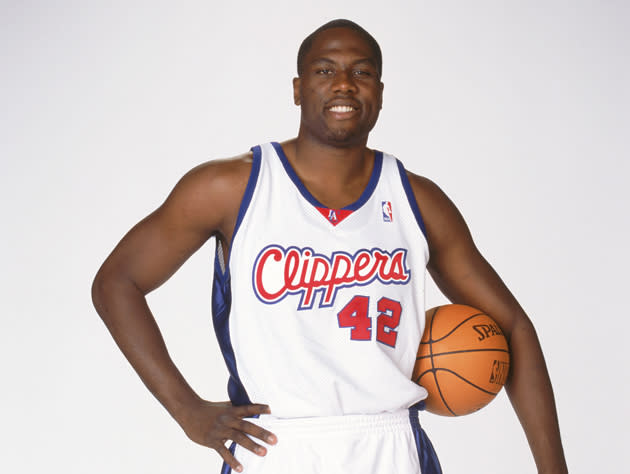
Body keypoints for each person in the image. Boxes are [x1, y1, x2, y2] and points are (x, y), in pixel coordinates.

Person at [92, 19, 568, 474]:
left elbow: (513, 327)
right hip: (276, 446)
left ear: (379, 93)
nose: (344, 83)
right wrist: (185, 408)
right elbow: (117, 281)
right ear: (298, 89)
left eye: (362, 72)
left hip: (391, 446)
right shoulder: (230, 187)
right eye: (325, 70)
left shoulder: (416, 200)